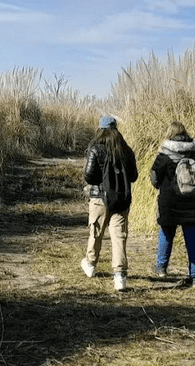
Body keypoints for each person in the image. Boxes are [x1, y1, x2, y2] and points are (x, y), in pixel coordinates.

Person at [81, 115, 138, 291]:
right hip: (121, 199)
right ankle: (120, 276)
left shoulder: (96, 149)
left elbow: (89, 176)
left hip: (100, 199)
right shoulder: (126, 150)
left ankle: (90, 265)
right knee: (119, 236)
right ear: (116, 129)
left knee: (96, 231)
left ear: (101, 129)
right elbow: (134, 176)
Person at [149, 121, 195, 288]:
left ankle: (161, 269)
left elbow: (154, 177)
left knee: (167, 234)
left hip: (170, 201)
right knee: (193, 240)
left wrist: (163, 186)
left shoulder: (165, 153)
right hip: (194, 202)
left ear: (170, 133)